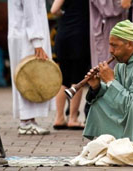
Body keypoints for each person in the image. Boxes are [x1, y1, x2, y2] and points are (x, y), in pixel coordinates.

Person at [8, 0, 54, 135]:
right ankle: (26, 121)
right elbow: (31, 14)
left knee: (25, 76)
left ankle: (29, 120)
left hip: (23, 35)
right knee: (27, 77)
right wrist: (37, 42)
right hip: (27, 38)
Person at [50, 0, 90, 130]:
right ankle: (73, 118)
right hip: (80, 34)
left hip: (63, 34)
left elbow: (54, 10)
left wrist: (64, 13)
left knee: (64, 78)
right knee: (77, 77)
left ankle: (59, 118)